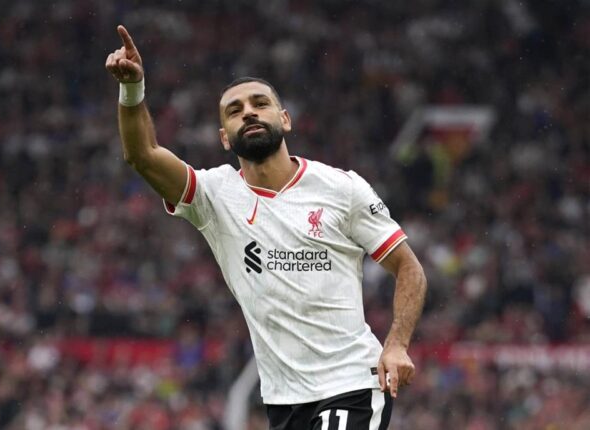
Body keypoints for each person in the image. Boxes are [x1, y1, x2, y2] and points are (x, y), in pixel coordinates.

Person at [105, 25, 427, 430]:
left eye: (260, 103)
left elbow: (409, 267)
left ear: (285, 119)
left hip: (353, 385)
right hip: (283, 400)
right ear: (224, 138)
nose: (249, 112)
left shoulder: (342, 189)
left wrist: (396, 344)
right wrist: (132, 89)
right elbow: (143, 156)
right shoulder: (214, 196)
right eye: (234, 110)